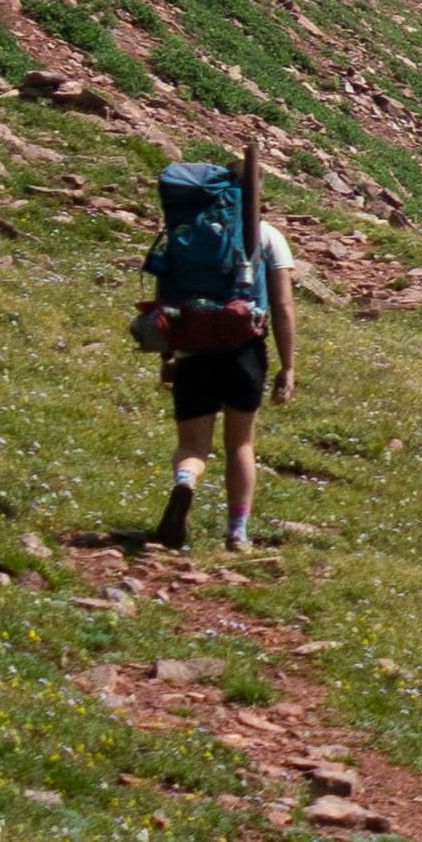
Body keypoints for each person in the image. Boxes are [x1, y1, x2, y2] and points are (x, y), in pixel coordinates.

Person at [127, 155, 287, 555]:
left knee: (194, 447)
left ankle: (185, 482)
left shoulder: (182, 233)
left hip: (192, 348)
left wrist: (168, 355)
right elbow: (283, 307)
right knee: (240, 445)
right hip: (244, 351)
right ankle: (237, 532)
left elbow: (165, 298)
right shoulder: (266, 237)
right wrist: (289, 365)